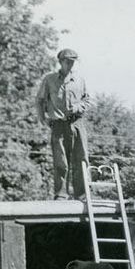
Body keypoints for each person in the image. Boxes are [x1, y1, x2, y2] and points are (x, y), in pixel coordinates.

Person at [36, 48, 91, 200]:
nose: (70, 64)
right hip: (58, 125)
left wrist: (79, 106)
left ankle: (82, 194)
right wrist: (43, 118)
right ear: (60, 62)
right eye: (67, 61)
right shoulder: (49, 79)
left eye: (73, 61)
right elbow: (39, 100)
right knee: (61, 161)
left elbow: (88, 100)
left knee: (81, 159)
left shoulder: (80, 80)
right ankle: (61, 194)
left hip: (77, 123)